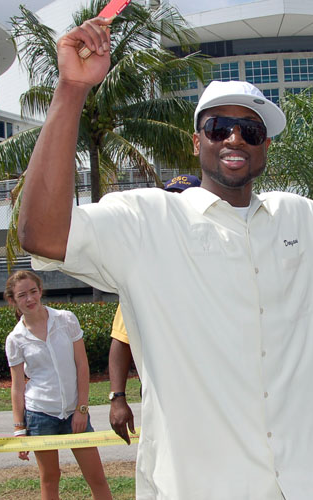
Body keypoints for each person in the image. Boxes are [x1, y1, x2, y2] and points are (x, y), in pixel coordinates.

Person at [18, 14, 313, 499]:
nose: (234, 138)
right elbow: (42, 234)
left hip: (305, 484)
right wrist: (70, 89)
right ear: (197, 142)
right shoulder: (148, 221)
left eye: (250, 130)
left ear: (265, 149)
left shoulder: (302, 221)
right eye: (219, 127)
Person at [4, 270, 112, 500]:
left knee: (97, 478)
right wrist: (19, 429)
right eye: (22, 295)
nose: (30, 299)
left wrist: (81, 409)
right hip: (40, 415)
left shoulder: (66, 319)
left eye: (33, 292)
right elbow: (17, 387)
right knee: (50, 479)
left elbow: (82, 365)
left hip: (76, 413)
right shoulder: (15, 339)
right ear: (13, 300)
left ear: (41, 291)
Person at [109, 175, 201, 443]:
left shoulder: (222, 252)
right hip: (164, 393)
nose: (176, 204)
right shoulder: (147, 266)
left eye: (183, 198)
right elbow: (122, 339)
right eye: (170, 198)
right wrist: (117, 398)